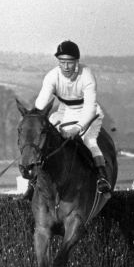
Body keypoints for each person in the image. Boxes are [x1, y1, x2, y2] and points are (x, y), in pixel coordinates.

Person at [22, 40, 111, 200]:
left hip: (88, 113)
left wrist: (77, 128)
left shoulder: (87, 75)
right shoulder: (52, 76)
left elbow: (90, 108)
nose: (66, 67)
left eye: (70, 62)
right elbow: (41, 104)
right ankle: (34, 182)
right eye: (62, 62)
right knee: (47, 139)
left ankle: (101, 178)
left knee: (88, 140)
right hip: (65, 111)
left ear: (77, 62)